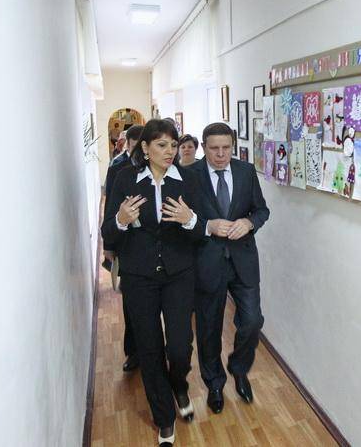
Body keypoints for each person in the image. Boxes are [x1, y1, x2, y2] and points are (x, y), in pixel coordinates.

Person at [101, 119, 205, 447]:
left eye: (173, 145)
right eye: (161, 145)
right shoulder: (124, 179)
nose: (170, 151)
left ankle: (179, 384)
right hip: (139, 277)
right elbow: (108, 232)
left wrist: (190, 220)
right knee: (149, 348)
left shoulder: (188, 180)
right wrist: (121, 220)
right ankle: (164, 416)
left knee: (180, 347)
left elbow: (202, 232)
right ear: (145, 148)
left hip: (179, 275)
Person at [190, 122, 270, 414]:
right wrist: (207, 226)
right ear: (204, 147)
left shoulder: (246, 172)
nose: (221, 154)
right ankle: (214, 382)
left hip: (243, 261)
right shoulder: (189, 175)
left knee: (252, 320)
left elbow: (261, 210)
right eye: (214, 149)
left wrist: (249, 223)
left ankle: (239, 368)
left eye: (226, 148)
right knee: (209, 327)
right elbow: (182, 221)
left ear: (232, 146)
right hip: (207, 262)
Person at [102, 125, 143, 372]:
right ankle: (133, 351)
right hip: (126, 243)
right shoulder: (117, 168)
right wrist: (109, 246)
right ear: (128, 144)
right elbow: (110, 209)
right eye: (134, 145)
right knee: (131, 304)